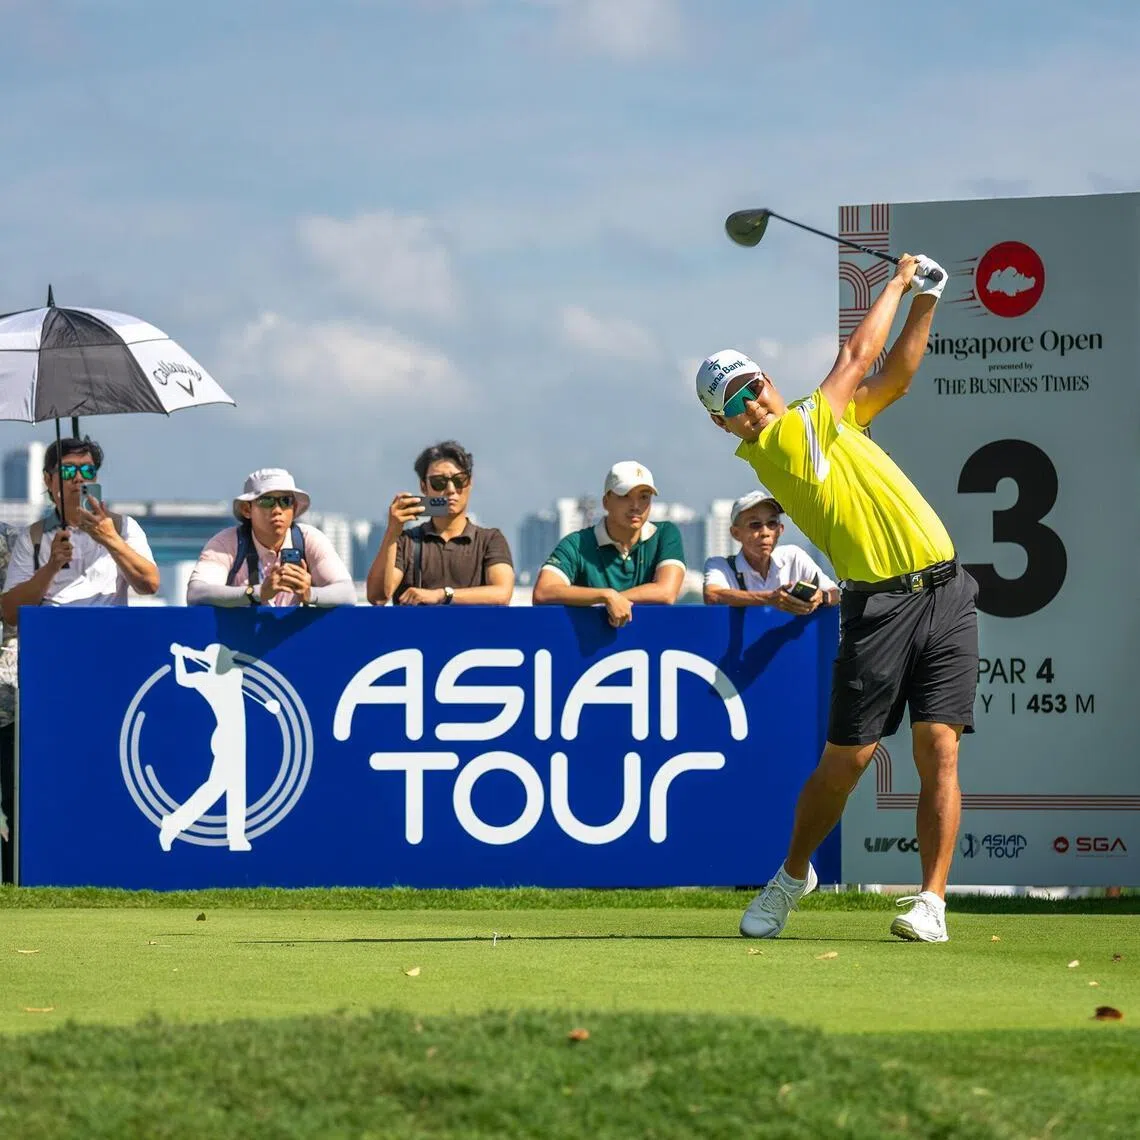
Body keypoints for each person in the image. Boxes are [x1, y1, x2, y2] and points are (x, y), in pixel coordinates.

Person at [697, 253, 978, 944]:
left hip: (946, 589)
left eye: (753, 386)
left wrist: (926, 301)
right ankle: (793, 874)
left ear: (768, 380)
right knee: (846, 762)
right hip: (878, 608)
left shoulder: (822, 423)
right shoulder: (783, 445)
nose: (751, 403)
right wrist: (898, 280)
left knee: (939, 746)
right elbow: (857, 353)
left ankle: (931, 902)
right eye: (734, 404)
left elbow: (896, 375)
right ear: (724, 425)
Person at [1, 436, 159, 629]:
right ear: (48, 480)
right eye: (67, 471)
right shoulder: (33, 536)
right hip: (54, 638)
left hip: (109, 634)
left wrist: (110, 539)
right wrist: (52, 566)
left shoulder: (123, 527)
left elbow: (149, 584)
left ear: (95, 477)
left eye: (87, 470)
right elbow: (10, 613)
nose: (78, 478)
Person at [532, 461, 685, 627]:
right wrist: (606, 596)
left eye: (644, 497)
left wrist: (615, 598)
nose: (636, 506)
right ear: (606, 502)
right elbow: (543, 592)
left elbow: (666, 592)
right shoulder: (577, 543)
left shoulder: (665, 534)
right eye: (624, 496)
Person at [367, 440, 515, 606]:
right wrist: (393, 531)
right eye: (439, 482)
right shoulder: (405, 541)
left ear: (470, 483)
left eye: (459, 480)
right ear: (424, 486)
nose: (450, 489)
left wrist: (441, 595)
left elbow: (502, 594)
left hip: (471, 632)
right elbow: (378, 597)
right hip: (418, 632)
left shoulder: (490, 540)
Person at [187, 469, 355, 607]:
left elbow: (348, 594)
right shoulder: (226, 542)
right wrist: (257, 593)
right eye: (267, 501)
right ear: (247, 509)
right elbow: (196, 593)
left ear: (294, 508)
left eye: (285, 501)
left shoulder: (310, 539)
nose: (277, 510)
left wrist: (310, 593)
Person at [704, 488, 838, 610]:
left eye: (772, 523)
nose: (765, 532)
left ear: (780, 530)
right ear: (735, 533)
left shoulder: (794, 556)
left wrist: (821, 597)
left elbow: (835, 593)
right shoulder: (719, 565)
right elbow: (712, 595)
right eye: (755, 525)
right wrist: (771, 598)